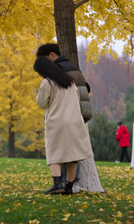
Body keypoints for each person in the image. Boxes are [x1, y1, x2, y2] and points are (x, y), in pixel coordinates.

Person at [34, 56, 94, 195]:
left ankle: (57, 184)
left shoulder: (47, 83)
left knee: (54, 151)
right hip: (75, 121)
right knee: (73, 154)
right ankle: (69, 187)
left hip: (57, 121)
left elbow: (42, 103)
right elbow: (77, 98)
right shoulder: (70, 82)